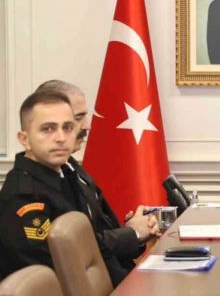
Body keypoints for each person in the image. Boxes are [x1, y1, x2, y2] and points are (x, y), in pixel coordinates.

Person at [0, 88, 159, 286]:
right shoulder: (24, 197)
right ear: (24, 139)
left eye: (67, 128)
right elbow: (63, 266)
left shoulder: (64, 174)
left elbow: (93, 243)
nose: (60, 137)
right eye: (47, 129)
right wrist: (132, 234)